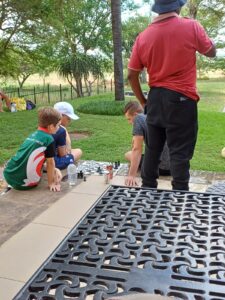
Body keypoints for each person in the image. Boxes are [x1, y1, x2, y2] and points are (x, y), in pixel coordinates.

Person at [128, 0, 216, 191]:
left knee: (153, 149)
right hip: (182, 99)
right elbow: (211, 52)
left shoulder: (143, 36)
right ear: (178, 7)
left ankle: (148, 191)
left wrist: (144, 101)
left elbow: (131, 74)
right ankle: (180, 195)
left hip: (155, 98)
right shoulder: (191, 26)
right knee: (179, 152)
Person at [3, 107, 62, 192]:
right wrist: (51, 183)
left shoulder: (33, 135)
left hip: (9, 174)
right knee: (46, 172)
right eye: (58, 125)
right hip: (24, 183)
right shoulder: (49, 140)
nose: (59, 128)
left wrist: (55, 170)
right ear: (51, 126)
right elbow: (50, 163)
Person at [124, 101, 170, 187]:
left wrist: (131, 175)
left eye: (129, 119)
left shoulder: (138, 119)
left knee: (128, 154)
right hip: (173, 168)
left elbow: (136, 149)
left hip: (160, 167)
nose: (129, 123)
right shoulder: (153, 115)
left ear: (135, 114)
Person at [53, 102, 82, 170]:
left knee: (75, 151)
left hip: (47, 157)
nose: (70, 121)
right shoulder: (61, 130)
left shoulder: (47, 125)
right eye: (68, 118)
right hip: (54, 162)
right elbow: (63, 155)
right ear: (61, 115)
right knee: (78, 151)